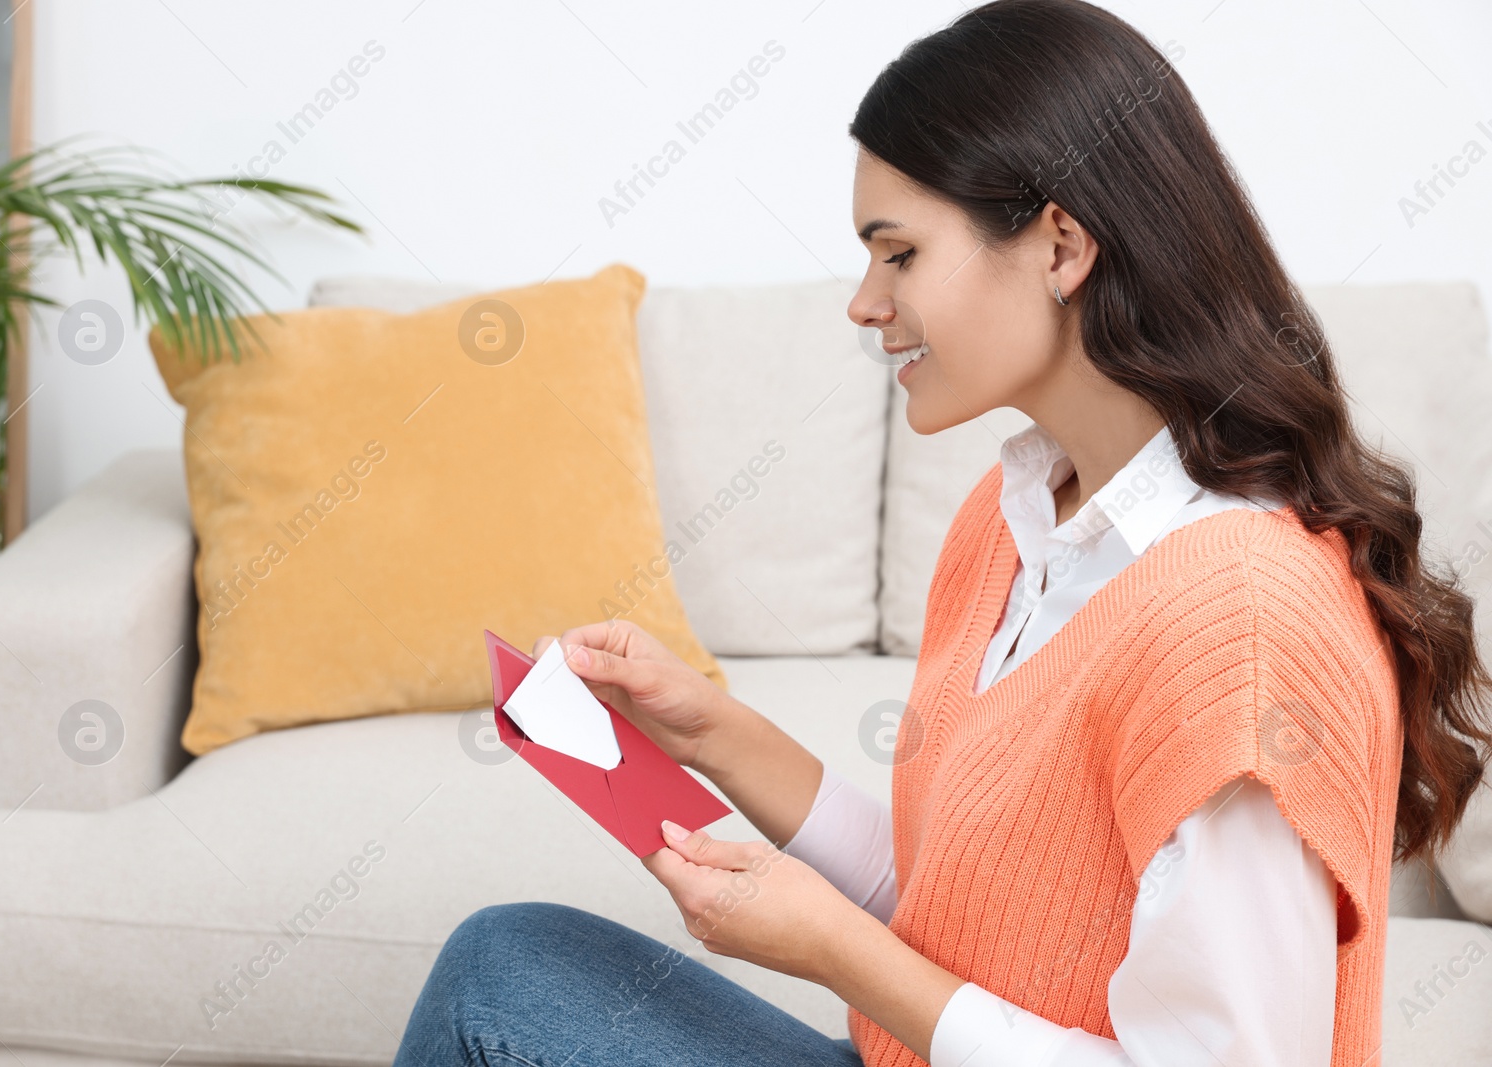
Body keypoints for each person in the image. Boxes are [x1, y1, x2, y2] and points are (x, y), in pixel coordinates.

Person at [394, 1, 1492, 1064]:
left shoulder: (1237, 624)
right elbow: (962, 901)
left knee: (496, 981)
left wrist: (834, 949)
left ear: (1060, 246)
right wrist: (710, 733)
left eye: (900, 253)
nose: (863, 302)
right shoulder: (1016, 519)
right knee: (510, 959)